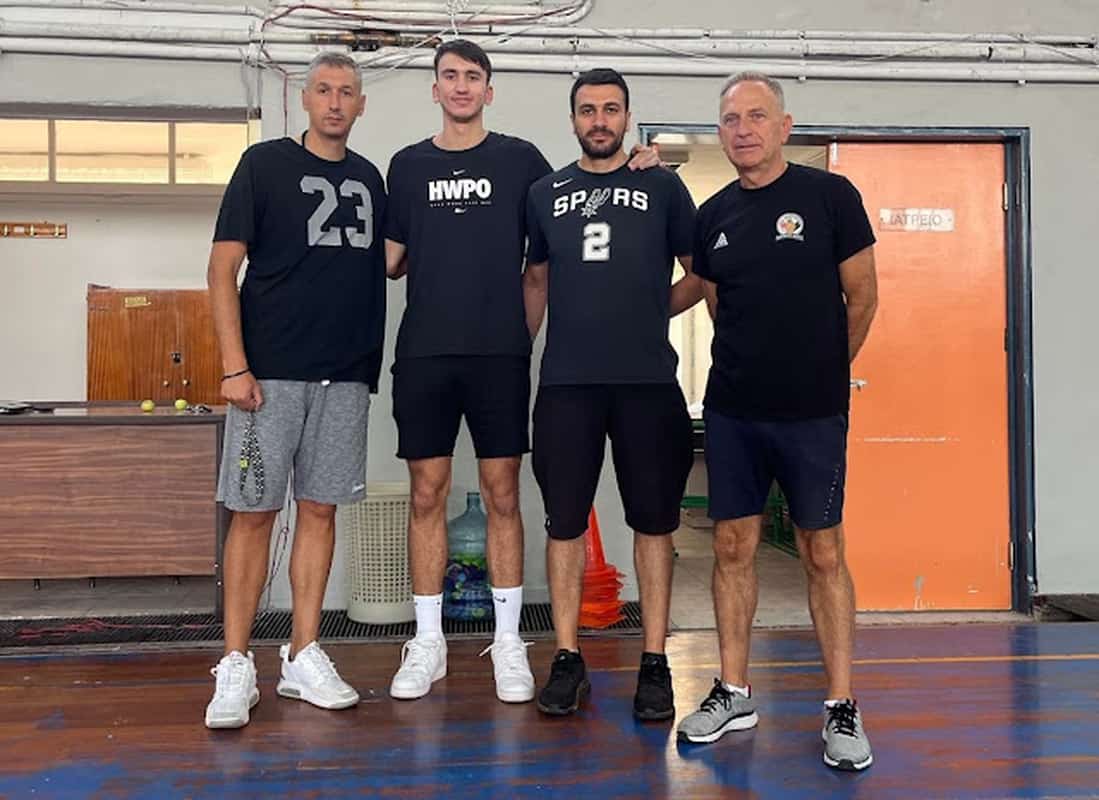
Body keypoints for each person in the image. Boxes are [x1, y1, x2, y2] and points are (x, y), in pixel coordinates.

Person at [674, 72, 878, 772]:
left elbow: (863, 297)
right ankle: (733, 691)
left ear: (784, 127)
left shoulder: (830, 197)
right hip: (734, 411)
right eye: (731, 120)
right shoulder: (713, 214)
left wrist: (824, 374)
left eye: (757, 116)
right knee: (732, 547)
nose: (744, 130)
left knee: (823, 552)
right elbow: (715, 303)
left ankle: (841, 704)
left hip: (813, 415)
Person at [203, 51, 386, 729]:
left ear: (361, 104)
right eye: (324, 90)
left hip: (344, 377)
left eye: (347, 92)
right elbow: (222, 267)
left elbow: (393, 261)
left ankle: (304, 653)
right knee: (253, 512)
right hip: (267, 378)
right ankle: (235, 662)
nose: (335, 102)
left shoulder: (370, 179)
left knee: (319, 511)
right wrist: (234, 365)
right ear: (305, 99)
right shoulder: (263, 165)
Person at [523, 68, 702, 720]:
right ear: (573, 119)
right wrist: (518, 356)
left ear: (627, 116)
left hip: (646, 382)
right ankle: (567, 657)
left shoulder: (663, 185)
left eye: (610, 109)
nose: (599, 120)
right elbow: (536, 280)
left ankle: (654, 660)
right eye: (587, 110)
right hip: (567, 383)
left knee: (653, 524)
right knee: (564, 523)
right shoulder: (545, 192)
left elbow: (701, 274)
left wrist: (652, 311)